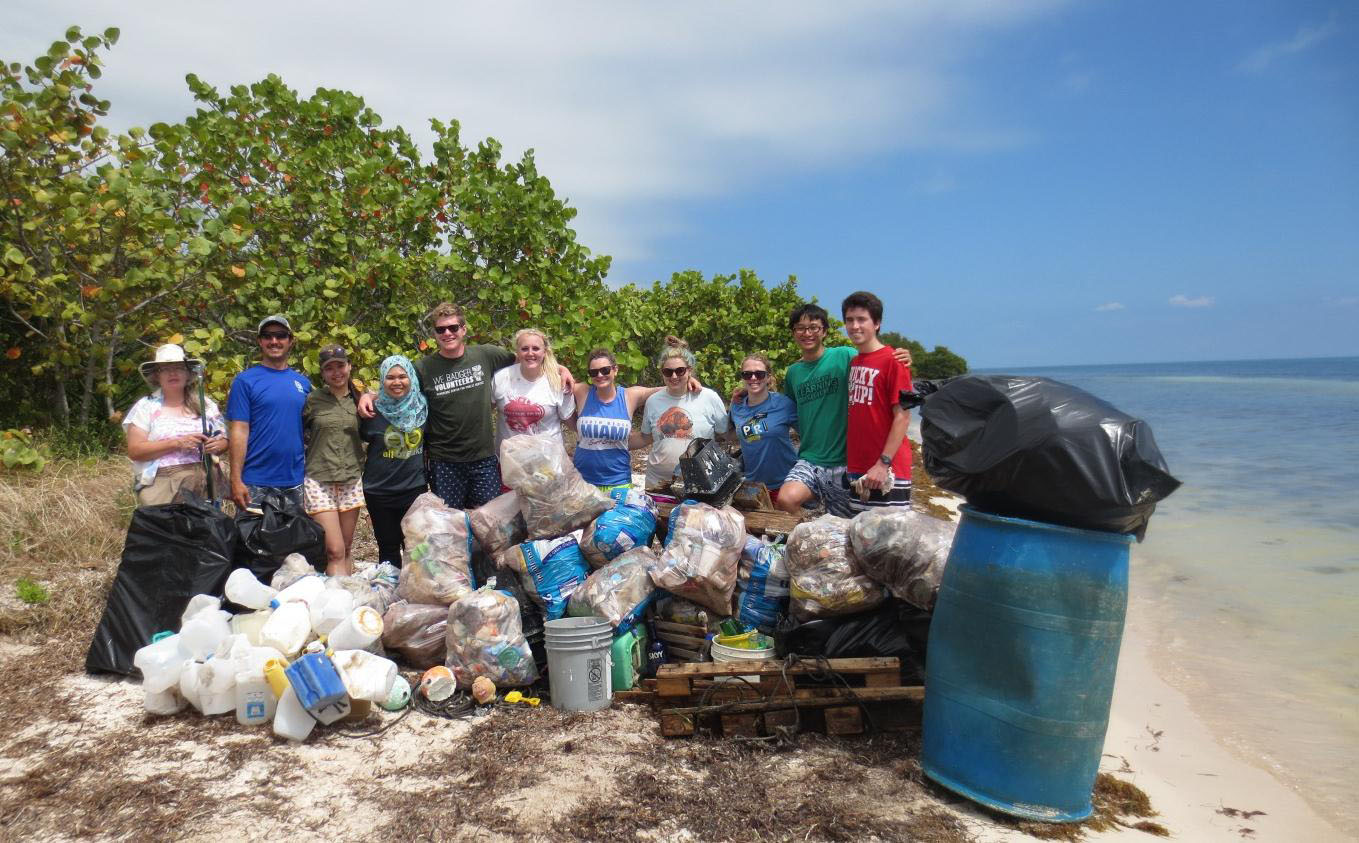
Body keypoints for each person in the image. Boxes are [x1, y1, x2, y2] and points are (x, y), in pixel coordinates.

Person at [357, 302, 575, 510]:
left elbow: (527, 359)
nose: (447, 333)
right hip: (444, 462)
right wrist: (370, 395)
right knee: (452, 526)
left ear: (463, 329)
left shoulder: (486, 354)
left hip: (484, 459)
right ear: (434, 334)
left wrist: (561, 369)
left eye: (453, 327)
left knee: (491, 523)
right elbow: (398, 385)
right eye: (441, 329)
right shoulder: (423, 368)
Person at [774, 303, 910, 517]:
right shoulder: (793, 372)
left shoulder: (845, 356)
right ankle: (810, 532)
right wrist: (747, 394)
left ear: (825, 331)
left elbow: (874, 360)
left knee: (847, 527)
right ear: (793, 333)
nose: (807, 333)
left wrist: (899, 356)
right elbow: (785, 408)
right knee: (786, 499)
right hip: (810, 458)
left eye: (814, 327)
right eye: (800, 328)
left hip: (847, 463)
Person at [569, 348, 692, 494]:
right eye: (594, 372)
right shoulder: (582, 392)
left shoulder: (630, 396)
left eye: (605, 370)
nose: (600, 375)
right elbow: (550, 378)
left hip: (618, 482)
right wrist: (563, 369)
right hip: (582, 481)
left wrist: (687, 380)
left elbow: (666, 388)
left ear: (615, 370)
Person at [122, 343, 228, 506]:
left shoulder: (206, 404)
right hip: (164, 484)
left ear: (187, 373)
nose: (173, 373)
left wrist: (217, 445)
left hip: (205, 480)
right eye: (165, 368)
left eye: (178, 367)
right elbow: (135, 451)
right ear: (157, 375)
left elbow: (224, 440)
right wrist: (176, 443)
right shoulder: (145, 407)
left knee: (204, 530)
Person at [227, 315, 312, 512]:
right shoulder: (245, 381)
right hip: (255, 481)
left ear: (290, 341)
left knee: (295, 543)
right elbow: (239, 430)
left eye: (281, 335)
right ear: (260, 341)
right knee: (251, 542)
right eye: (267, 336)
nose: (274, 341)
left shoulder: (303, 384)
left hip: (295, 481)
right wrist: (236, 479)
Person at [842, 291, 913, 511]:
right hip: (858, 467)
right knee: (861, 541)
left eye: (862, 319)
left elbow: (903, 416)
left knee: (888, 543)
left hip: (887, 471)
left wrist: (883, 463)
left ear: (877, 323)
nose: (855, 326)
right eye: (850, 320)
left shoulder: (894, 361)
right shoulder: (854, 362)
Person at [359, 354, 428, 568]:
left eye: (402, 376)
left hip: (413, 488)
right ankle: (390, 594)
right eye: (390, 377)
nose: (396, 382)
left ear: (411, 379)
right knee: (388, 547)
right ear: (382, 380)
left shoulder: (423, 407)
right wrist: (366, 395)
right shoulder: (370, 410)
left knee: (416, 548)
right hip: (379, 491)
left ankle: (417, 594)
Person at [302, 345, 365, 576]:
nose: (336, 372)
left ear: (349, 367)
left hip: (350, 477)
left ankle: (346, 600)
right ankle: (335, 601)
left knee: (347, 548)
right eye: (329, 368)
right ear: (323, 373)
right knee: (335, 550)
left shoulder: (360, 399)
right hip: (320, 479)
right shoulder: (312, 400)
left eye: (340, 365)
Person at [639, 336, 731, 490]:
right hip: (657, 482)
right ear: (662, 373)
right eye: (668, 372)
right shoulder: (653, 401)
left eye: (680, 371)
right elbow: (646, 436)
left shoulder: (709, 398)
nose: (674, 376)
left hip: (699, 482)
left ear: (690, 371)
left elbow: (724, 433)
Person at [728, 352, 798, 503]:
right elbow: (730, 434)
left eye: (759, 374)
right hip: (752, 485)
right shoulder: (737, 406)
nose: (753, 378)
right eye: (748, 374)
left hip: (785, 484)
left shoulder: (784, 404)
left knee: (787, 526)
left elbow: (807, 434)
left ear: (768, 377)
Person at [492, 328, 575, 449]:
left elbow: (571, 421)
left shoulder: (558, 382)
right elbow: (484, 412)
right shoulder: (501, 378)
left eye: (535, 348)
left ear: (544, 352)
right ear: (517, 352)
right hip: (511, 460)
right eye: (525, 349)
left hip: (548, 459)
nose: (530, 353)